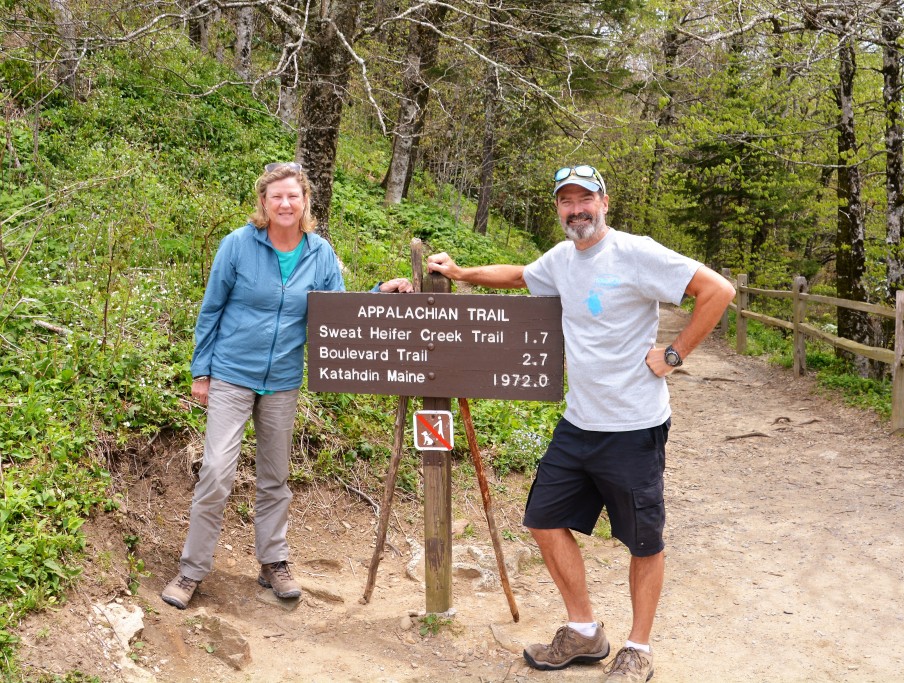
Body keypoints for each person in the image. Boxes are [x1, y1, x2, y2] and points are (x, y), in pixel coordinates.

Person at [427, 164, 734, 682]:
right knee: (543, 520)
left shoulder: (636, 252)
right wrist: (460, 273)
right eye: (567, 202)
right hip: (580, 422)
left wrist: (676, 354)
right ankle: (585, 632)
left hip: (635, 425)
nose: (577, 209)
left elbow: (718, 290)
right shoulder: (562, 260)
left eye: (585, 199)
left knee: (643, 541)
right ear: (558, 210)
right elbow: (520, 275)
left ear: (604, 202)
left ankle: (638, 649)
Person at [161, 162, 412, 610]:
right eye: (276, 196)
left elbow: (337, 312)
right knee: (217, 471)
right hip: (231, 373)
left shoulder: (319, 254)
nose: (285, 204)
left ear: (305, 201)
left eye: (293, 196)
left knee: (275, 478)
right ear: (263, 202)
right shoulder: (237, 245)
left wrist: (379, 292)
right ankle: (191, 570)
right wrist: (202, 372)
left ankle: (273, 562)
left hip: (281, 381)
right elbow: (211, 308)